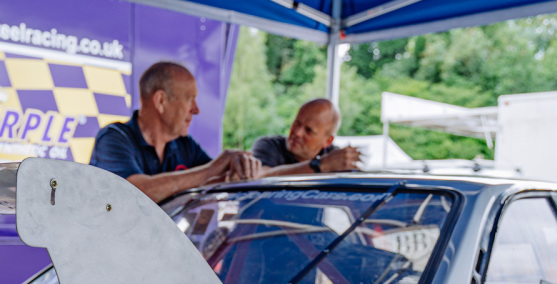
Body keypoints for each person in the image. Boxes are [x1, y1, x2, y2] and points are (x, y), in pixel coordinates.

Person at [90, 61, 261, 202]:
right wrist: (213, 168)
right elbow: (134, 193)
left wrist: (241, 168)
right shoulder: (114, 138)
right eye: (190, 99)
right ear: (161, 101)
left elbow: (219, 179)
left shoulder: (184, 145)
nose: (196, 110)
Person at [252, 99, 361, 175]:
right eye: (297, 124)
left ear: (327, 141)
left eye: (308, 130)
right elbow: (260, 175)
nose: (297, 133)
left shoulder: (335, 159)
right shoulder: (268, 146)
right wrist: (320, 166)